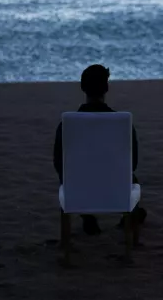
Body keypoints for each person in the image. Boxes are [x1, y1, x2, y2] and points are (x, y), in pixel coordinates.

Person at [54, 64, 147, 235]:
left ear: (83, 88)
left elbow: (58, 162)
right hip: (114, 190)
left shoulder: (68, 124)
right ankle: (130, 218)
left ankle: (86, 215)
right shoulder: (121, 123)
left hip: (78, 191)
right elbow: (132, 162)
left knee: (70, 174)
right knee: (133, 179)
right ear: (106, 88)